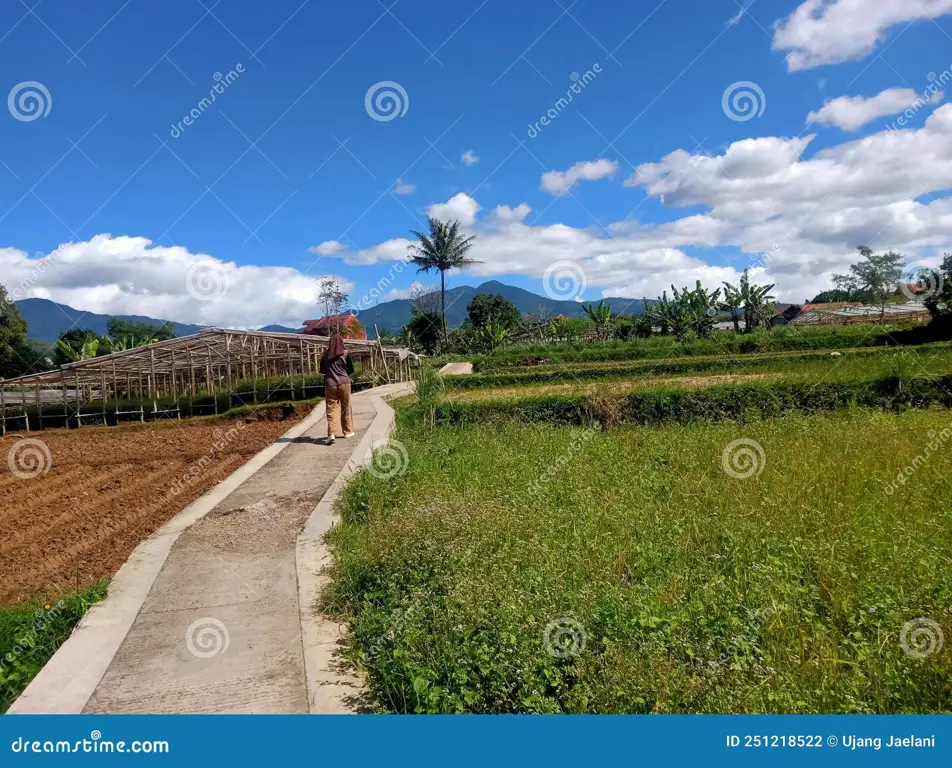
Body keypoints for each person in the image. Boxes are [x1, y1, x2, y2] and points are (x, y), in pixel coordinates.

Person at [319, 332, 355, 444]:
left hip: (330, 384)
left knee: (331, 409)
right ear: (341, 342)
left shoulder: (325, 354)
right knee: (346, 407)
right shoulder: (346, 353)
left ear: (330, 342)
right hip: (344, 383)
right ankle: (347, 431)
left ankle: (331, 434)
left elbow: (322, 370)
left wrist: (331, 371)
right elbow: (352, 369)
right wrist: (344, 372)